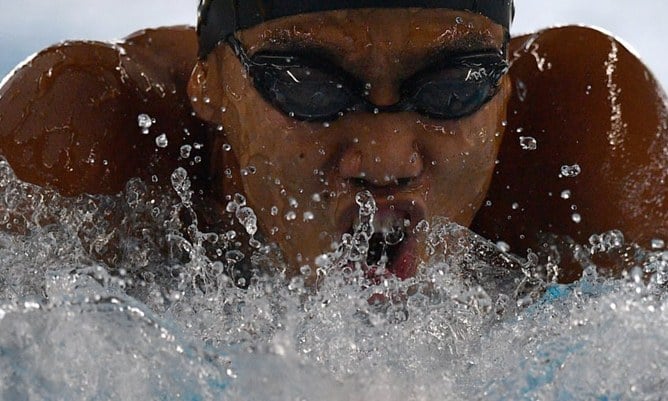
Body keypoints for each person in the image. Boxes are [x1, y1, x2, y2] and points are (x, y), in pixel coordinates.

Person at [0, 0, 665, 284]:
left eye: (453, 86)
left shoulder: (592, 143)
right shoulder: (82, 136)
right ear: (210, 85)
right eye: (308, 85)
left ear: (506, 83)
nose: (385, 160)